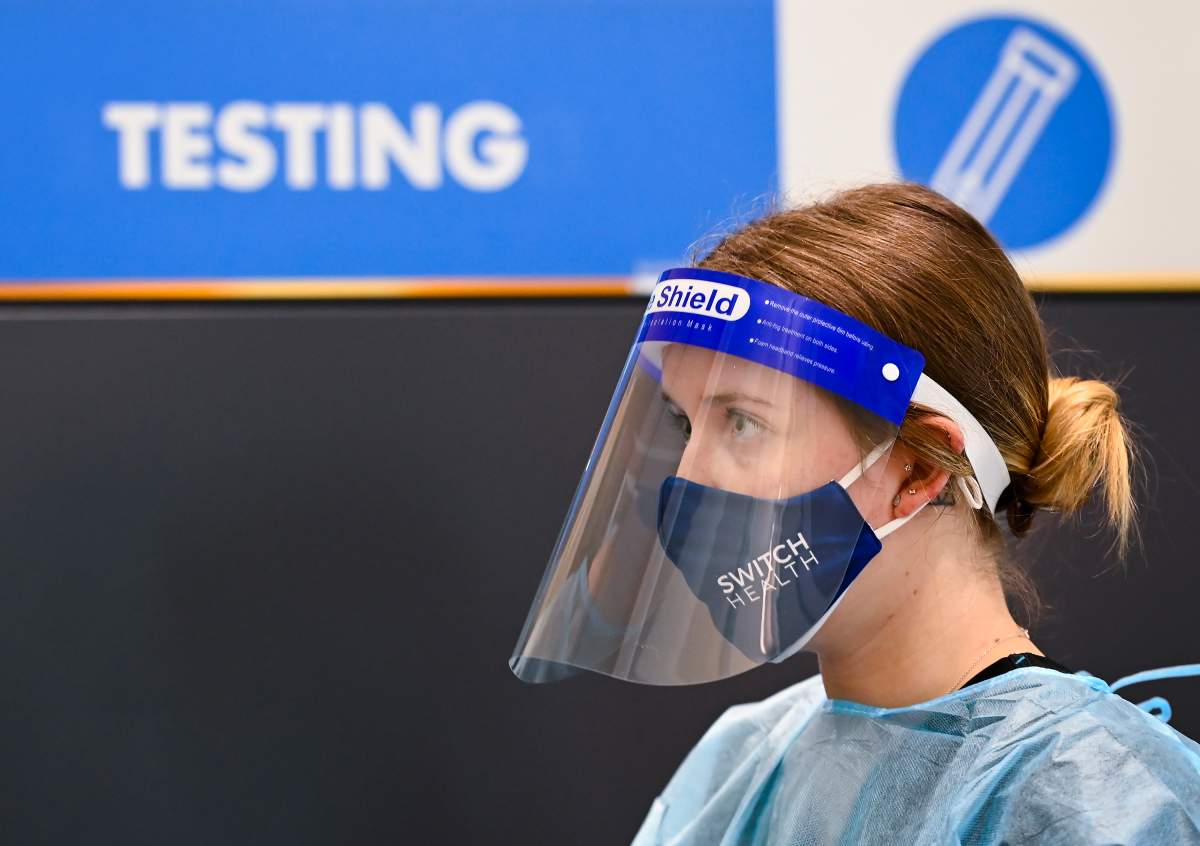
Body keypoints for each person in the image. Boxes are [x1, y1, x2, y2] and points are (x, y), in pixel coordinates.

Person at [509, 182, 1200, 843]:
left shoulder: (1096, 802)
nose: (687, 479)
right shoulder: (746, 760)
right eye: (687, 426)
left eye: (743, 423)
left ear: (922, 466)